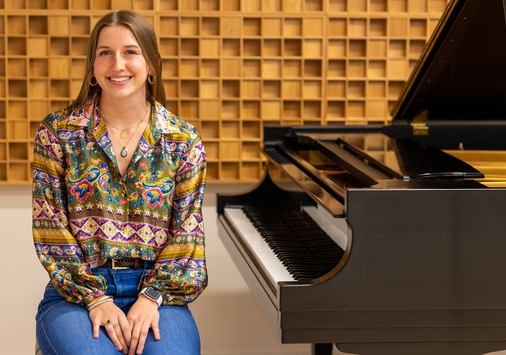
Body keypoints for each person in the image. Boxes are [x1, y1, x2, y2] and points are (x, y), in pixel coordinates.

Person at [32, 10, 207, 355]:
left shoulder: (183, 140)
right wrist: (96, 298)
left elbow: (187, 233)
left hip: (160, 294)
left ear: (151, 64)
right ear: (93, 66)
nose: (118, 64)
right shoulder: (57, 133)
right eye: (105, 53)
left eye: (130, 51)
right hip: (77, 293)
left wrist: (151, 297)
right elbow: (49, 226)